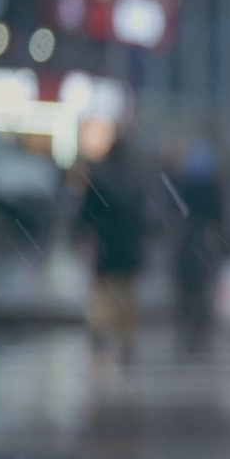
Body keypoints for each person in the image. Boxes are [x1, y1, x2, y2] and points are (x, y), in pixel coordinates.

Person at [77, 138, 149, 362]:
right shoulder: (136, 178)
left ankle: (99, 328)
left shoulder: (99, 176)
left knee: (102, 289)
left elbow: (87, 211)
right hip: (129, 245)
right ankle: (127, 337)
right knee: (127, 292)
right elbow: (144, 215)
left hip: (106, 242)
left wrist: (84, 233)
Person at [172, 139, 225, 356]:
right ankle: (200, 335)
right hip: (204, 245)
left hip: (186, 244)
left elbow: (173, 214)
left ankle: (187, 335)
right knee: (202, 293)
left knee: (186, 294)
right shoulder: (213, 187)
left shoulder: (183, 186)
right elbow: (220, 217)